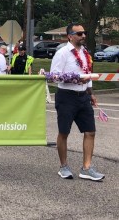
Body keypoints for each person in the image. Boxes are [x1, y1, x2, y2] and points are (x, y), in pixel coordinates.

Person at [51, 22, 104, 181]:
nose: (83, 36)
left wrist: (90, 92)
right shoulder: (62, 53)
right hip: (67, 96)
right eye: (79, 33)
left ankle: (86, 168)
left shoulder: (85, 53)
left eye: (84, 33)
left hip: (83, 97)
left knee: (90, 132)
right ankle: (64, 167)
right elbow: (54, 76)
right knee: (64, 132)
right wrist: (75, 80)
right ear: (70, 36)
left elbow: (87, 73)